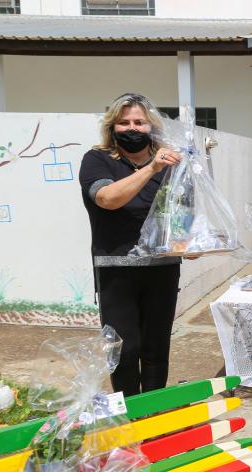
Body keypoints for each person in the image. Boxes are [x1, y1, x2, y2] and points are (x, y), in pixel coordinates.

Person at [78, 93, 183, 397]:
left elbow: (182, 213)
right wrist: (151, 168)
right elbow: (107, 199)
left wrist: (191, 241)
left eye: (140, 121)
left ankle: (151, 414)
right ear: (112, 126)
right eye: (124, 122)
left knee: (156, 347)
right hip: (116, 269)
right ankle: (128, 416)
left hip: (162, 268)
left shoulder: (172, 164)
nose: (132, 127)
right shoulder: (97, 159)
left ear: (152, 126)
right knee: (123, 350)